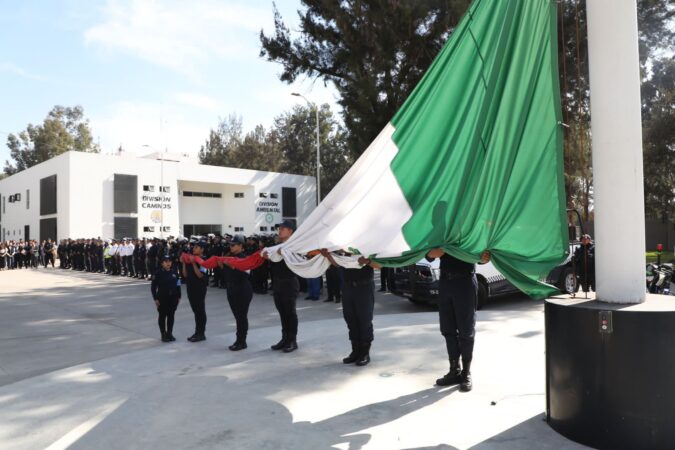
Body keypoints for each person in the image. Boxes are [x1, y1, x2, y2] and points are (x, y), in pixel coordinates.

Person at [426, 248, 491, 392]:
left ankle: (466, 373)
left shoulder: (469, 231)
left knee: (466, 331)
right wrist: (440, 250)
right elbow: (428, 255)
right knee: (447, 329)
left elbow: (483, 257)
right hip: (445, 282)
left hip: (465, 282)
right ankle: (454, 371)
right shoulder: (443, 233)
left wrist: (483, 258)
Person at [322, 249, 379, 366]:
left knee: (364, 320)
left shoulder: (367, 246)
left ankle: (364, 353)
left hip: (364, 287)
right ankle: (355, 351)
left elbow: (379, 265)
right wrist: (328, 256)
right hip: (347, 288)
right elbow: (338, 264)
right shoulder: (344, 250)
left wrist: (367, 261)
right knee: (350, 319)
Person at [263, 220, 300, 353]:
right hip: (278, 283)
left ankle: (292, 340)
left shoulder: (295, 246)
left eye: (283, 228)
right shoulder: (277, 246)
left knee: (290, 312)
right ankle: (284, 339)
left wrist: (281, 254)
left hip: (289, 282)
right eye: (279, 228)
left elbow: (296, 262)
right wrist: (270, 257)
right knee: (282, 312)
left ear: (290, 231)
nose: (280, 230)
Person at [220, 234, 253, 351]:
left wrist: (233, 266)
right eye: (230, 245)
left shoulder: (244, 258)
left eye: (233, 245)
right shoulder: (230, 256)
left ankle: (241, 341)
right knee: (238, 316)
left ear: (240, 245)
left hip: (242, 290)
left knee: (241, 317)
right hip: (231, 289)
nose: (231, 247)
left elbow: (247, 273)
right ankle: (240, 340)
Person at [151, 255, 182, 342]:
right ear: (162, 263)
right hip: (162, 298)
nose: (168, 263)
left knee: (171, 316)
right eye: (166, 261)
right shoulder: (158, 273)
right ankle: (163, 334)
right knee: (162, 316)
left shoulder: (175, 272)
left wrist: (179, 296)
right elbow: (153, 287)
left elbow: (178, 284)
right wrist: (155, 298)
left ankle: (170, 333)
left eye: (170, 261)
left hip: (173, 298)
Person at [183, 240, 208, 342]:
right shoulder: (190, 259)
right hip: (190, 287)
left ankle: (201, 333)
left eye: (197, 247)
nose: (194, 249)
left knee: (200, 311)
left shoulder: (204, 260)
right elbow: (185, 275)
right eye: (194, 247)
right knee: (195, 311)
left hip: (199, 288)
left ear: (202, 249)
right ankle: (197, 332)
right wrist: (184, 263)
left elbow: (200, 275)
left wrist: (193, 264)